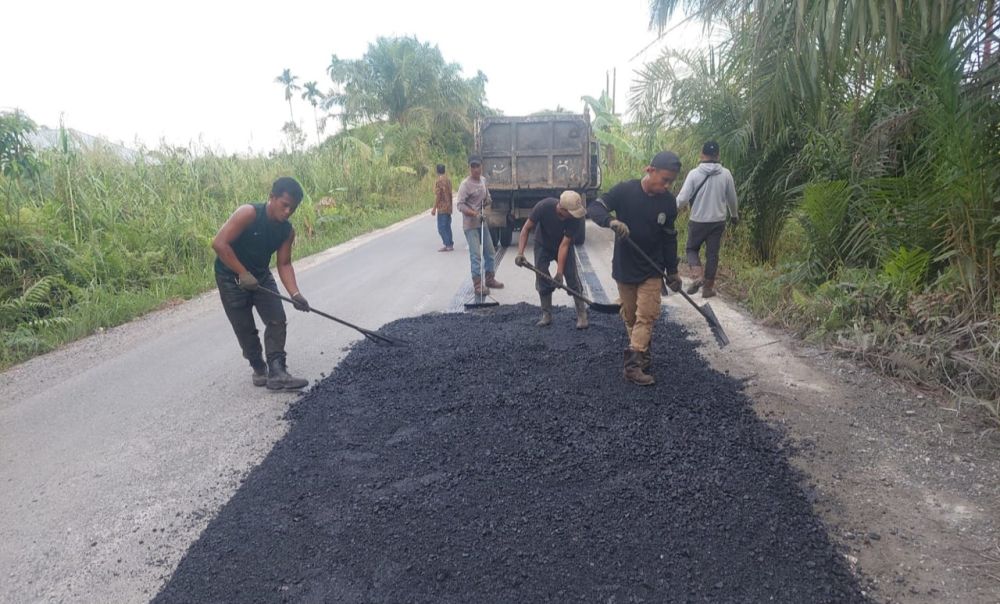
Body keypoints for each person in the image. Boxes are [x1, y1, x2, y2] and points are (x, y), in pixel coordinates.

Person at [588, 151, 684, 386]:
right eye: (665, 179)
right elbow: (595, 207)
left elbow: (670, 237)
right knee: (631, 316)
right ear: (649, 170)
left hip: (652, 268)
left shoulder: (668, 203)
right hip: (625, 265)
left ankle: (631, 367)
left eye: (671, 181)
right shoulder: (625, 191)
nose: (667, 185)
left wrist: (672, 270)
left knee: (647, 315)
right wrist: (611, 221)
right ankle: (643, 353)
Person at [212, 176, 310, 390]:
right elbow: (219, 244)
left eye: (292, 209)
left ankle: (277, 371)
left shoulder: (287, 231)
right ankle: (258, 367)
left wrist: (295, 295)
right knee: (244, 328)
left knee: (277, 320)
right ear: (272, 198)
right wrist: (242, 273)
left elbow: (284, 264)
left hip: (261, 276)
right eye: (284, 205)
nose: (287, 212)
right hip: (230, 277)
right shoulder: (249, 214)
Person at [514, 191, 589, 329]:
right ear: (562, 209)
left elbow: (564, 245)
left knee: (572, 277)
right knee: (541, 276)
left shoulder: (575, 219)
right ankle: (546, 314)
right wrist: (520, 253)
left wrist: (560, 273)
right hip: (543, 243)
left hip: (562, 244)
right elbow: (525, 229)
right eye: (572, 212)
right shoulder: (543, 207)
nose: (575, 215)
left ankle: (581, 314)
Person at [675, 140, 739, 298]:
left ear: (701, 155)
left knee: (691, 249)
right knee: (712, 255)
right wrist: (734, 215)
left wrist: (671, 208)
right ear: (718, 155)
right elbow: (732, 198)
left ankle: (697, 276)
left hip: (697, 220)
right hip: (717, 222)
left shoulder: (694, 174)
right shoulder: (726, 174)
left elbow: (682, 199)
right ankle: (708, 289)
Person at [456, 155, 504, 295]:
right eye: (473, 166)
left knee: (490, 251)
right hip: (470, 225)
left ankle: (490, 279)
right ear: (469, 167)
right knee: (476, 255)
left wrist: (488, 200)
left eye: (477, 166)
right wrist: (474, 214)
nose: (475, 169)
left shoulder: (483, 180)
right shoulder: (465, 185)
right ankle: (477, 285)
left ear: (481, 166)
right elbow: (460, 205)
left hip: (482, 223)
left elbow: (486, 197)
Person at [431, 163, 454, 251]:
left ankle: (447, 244)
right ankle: (450, 244)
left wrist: (434, 208)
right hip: (448, 207)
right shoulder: (448, 180)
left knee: (441, 227)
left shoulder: (439, 181)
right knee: (447, 226)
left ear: (437, 171)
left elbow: (438, 196)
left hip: (442, 208)